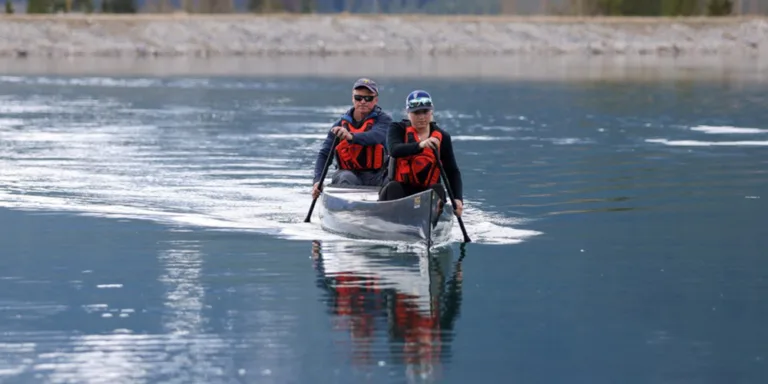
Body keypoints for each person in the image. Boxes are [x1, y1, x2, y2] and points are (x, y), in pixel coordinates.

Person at [379, 90, 464, 216]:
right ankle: (393, 220)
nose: (421, 117)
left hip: (427, 193)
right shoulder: (397, 129)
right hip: (401, 190)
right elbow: (394, 150)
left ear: (431, 112)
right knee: (393, 187)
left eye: (425, 112)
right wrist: (421, 145)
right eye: (416, 112)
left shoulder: (443, 137)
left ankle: (432, 223)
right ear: (408, 113)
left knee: (438, 189)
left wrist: (458, 199)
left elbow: (452, 171)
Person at [311, 78, 393, 199]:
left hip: (377, 175)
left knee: (393, 183)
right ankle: (346, 210)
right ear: (352, 99)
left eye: (368, 98)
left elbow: (375, 136)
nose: (363, 101)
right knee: (345, 178)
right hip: (349, 174)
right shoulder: (340, 125)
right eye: (358, 98)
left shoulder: (384, 121)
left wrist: (351, 136)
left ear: (376, 100)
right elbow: (324, 154)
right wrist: (317, 181)